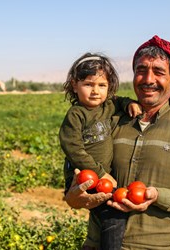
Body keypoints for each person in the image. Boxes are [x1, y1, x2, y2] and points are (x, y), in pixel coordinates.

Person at [64, 35, 170, 250]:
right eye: (141, 70)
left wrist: (157, 196)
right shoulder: (109, 120)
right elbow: (75, 180)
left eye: (159, 72)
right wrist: (75, 197)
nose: (148, 79)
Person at [59, 52, 142, 250]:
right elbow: (72, 147)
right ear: (74, 85)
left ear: (109, 88)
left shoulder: (107, 106)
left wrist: (130, 103)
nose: (95, 91)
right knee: (113, 215)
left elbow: (120, 100)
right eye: (88, 84)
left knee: (111, 210)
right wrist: (100, 172)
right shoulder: (76, 114)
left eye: (102, 85)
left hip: (102, 178)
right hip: (84, 176)